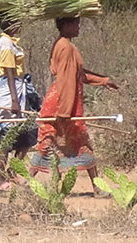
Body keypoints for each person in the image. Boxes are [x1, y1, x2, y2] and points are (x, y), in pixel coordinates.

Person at [30, 17, 119, 196]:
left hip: (65, 102)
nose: (79, 27)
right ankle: (28, 180)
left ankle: (96, 187)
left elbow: (77, 74)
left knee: (78, 143)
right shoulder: (66, 47)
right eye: (76, 24)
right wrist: (64, 111)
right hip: (62, 103)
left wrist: (103, 81)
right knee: (50, 142)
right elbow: (65, 79)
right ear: (67, 25)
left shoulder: (63, 44)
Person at [0, 12, 40, 189]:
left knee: (27, 135)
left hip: (19, 89)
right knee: (6, 138)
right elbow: (9, 71)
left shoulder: (12, 42)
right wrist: (14, 100)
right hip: (9, 92)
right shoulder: (5, 43)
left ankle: (12, 172)